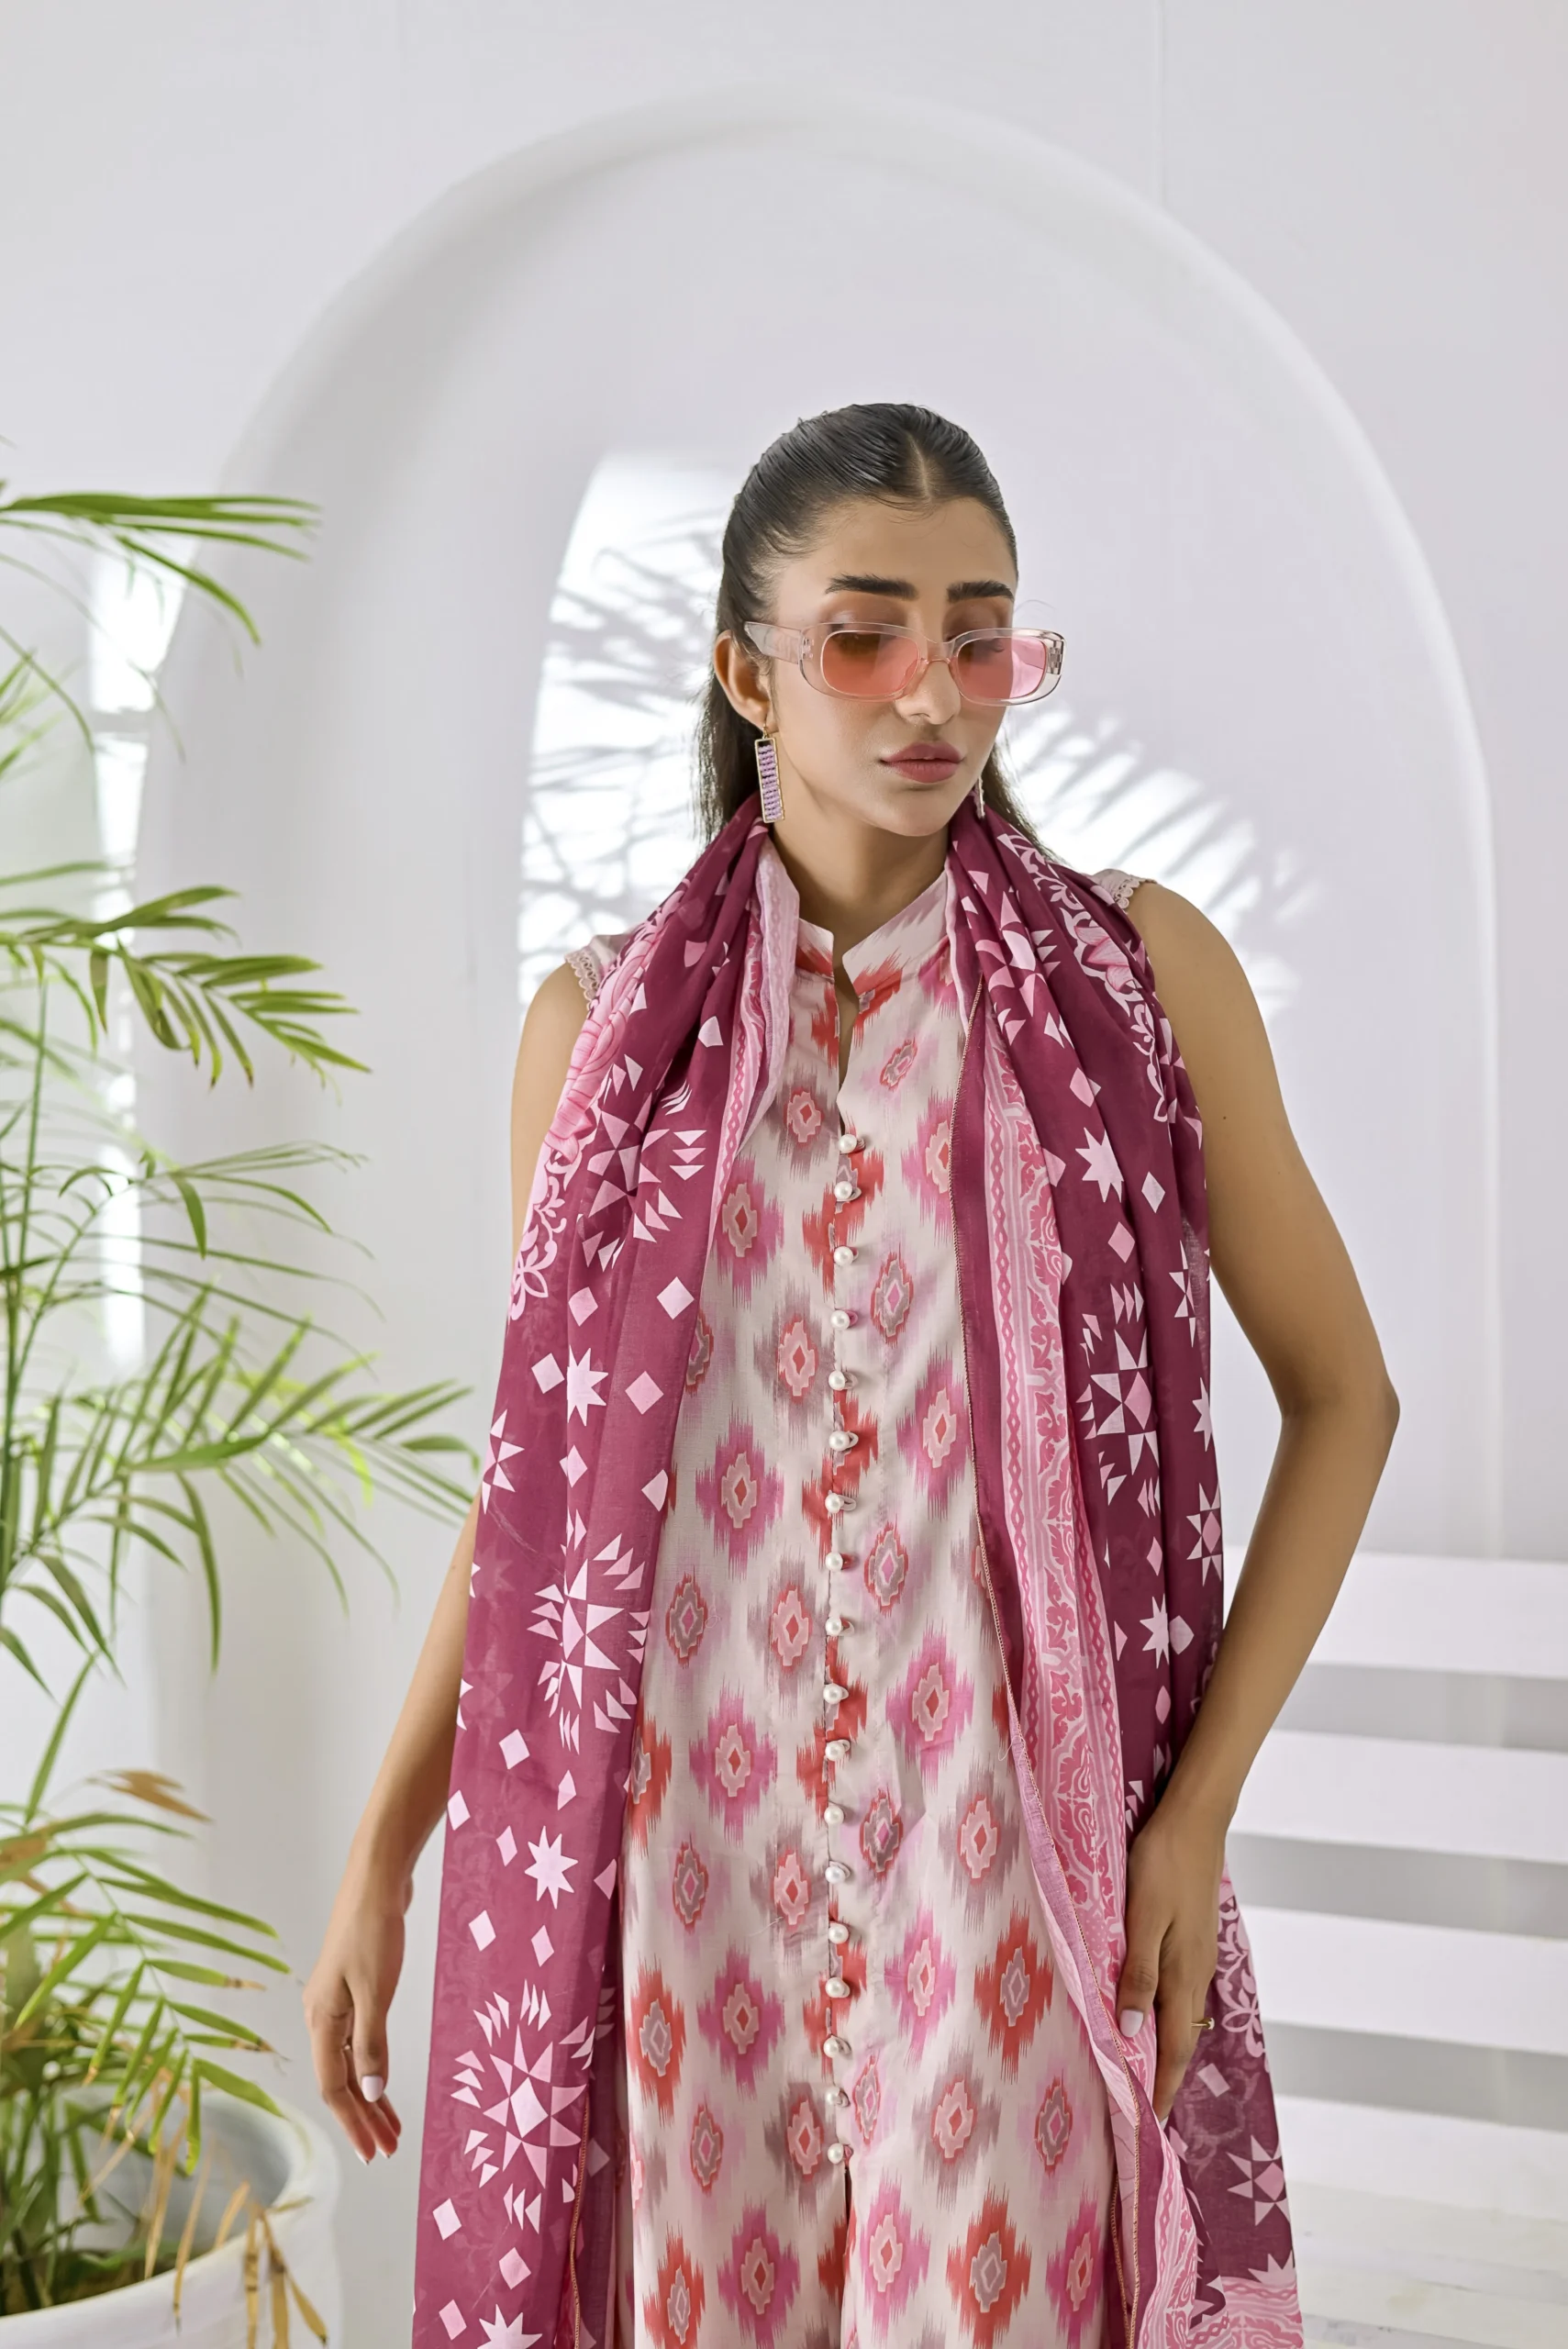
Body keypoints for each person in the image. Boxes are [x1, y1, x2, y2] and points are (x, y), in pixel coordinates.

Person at [306, 404, 1397, 2348]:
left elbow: (1343, 1394)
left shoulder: (1141, 985)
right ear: (748, 672)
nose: (931, 690)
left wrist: (1194, 1812)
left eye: (978, 635)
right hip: (691, 1876)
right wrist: (386, 1852)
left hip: (1007, 1871)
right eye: (864, 633)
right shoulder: (601, 1033)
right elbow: (545, 1493)